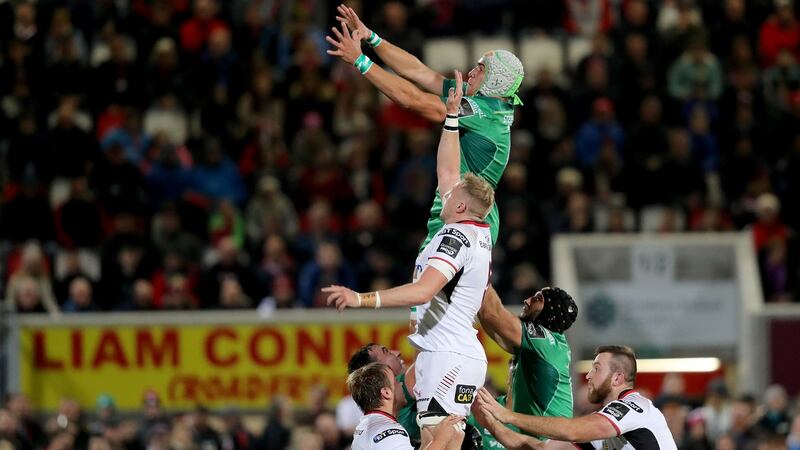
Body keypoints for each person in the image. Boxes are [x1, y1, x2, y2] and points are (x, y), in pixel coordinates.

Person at [325, 73, 493, 450]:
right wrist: (451, 119)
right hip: (458, 353)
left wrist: (361, 299)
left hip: (446, 355)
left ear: (461, 205)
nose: (444, 193)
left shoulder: (455, 236)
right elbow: (448, 171)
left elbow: (425, 289)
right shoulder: (476, 230)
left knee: (440, 442)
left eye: (451, 195)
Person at [328, 5, 522, 250]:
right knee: (465, 286)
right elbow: (422, 74)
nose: (471, 72)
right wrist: (372, 38)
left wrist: (360, 61)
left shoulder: (481, 112)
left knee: (427, 284)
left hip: (465, 214)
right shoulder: (491, 107)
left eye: (481, 69)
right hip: (472, 211)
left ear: (496, 80)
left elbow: (414, 100)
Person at [472, 346, 677, 450]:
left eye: (596, 369)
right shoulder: (606, 426)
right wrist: (492, 425)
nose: (588, 376)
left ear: (617, 378)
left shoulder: (634, 407)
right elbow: (541, 448)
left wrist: (508, 416)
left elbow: (573, 431)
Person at [467, 285, 578, 446]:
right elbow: (486, 316)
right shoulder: (539, 347)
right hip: (534, 441)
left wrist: (479, 266)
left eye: (538, 298)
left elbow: (492, 313)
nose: (527, 301)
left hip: (548, 444)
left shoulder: (544, 342)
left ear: (551, 311)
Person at [348, 362, 464, 450]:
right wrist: (441, 438)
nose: (401, 383)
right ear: (386, 393)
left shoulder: (366, 425)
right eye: (396, 380)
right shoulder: (389, 431)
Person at [346, 344, 419, 443]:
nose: (397, 353)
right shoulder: (394, 388)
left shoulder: (369, 422)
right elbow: (425, 360)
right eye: (386, 352)